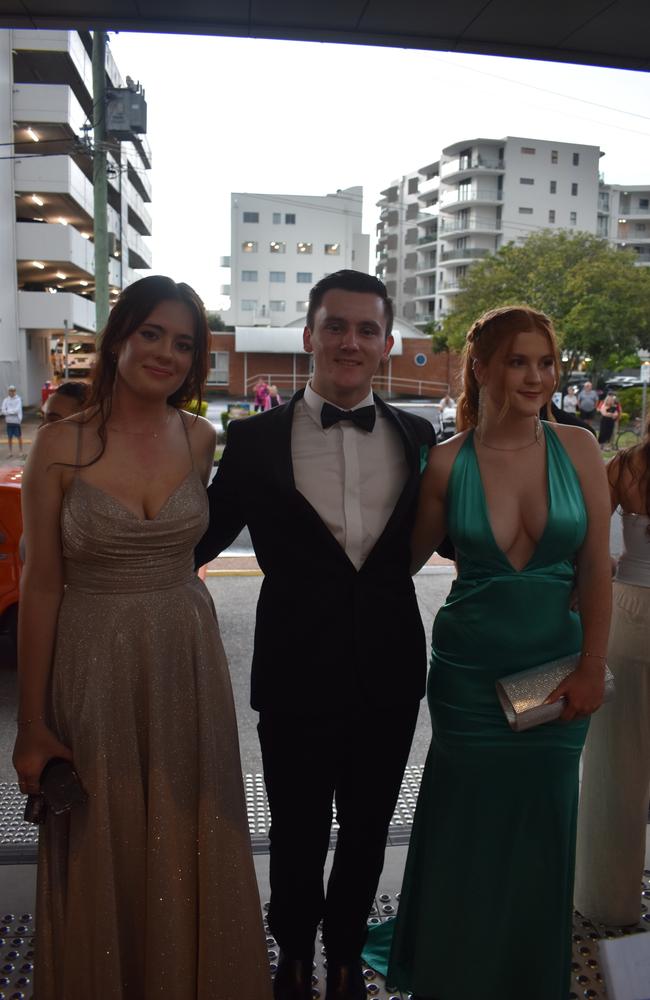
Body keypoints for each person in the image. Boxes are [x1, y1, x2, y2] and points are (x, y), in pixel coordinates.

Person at [12, 275, 271, 1000]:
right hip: (94, 661)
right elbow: (40, 586)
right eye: (152, 333)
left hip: (187, 658)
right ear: (120, 336)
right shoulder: (61, 445)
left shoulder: (200, 437)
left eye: (184, 343)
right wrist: (32, 724)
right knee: (107, 830)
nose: (165, 353)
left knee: (193, 822)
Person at [194, 270, 437, 1000]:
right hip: (296, 670)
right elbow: (196, 542)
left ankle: (343, 955)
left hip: (390, 670)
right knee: (296, 829)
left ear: (388, 343)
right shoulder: (252, 440)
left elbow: (454, 535)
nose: (350, 341)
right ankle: (294, 953)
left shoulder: (420, 435)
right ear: (309, 337)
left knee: (367, 829)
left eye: (367, 329)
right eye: (336, 325)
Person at [363, 305, 612, 1000]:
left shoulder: (581, 449)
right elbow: (398, 566)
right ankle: (454, 973)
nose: (536, 376)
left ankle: (528, 978)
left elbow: (596, 568)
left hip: (561, 675)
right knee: (468, 828)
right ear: (481, 366)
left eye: (546, 361)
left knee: (543, 827)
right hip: (470, 681)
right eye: (517, 361)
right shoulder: (446, 462)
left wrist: (593, 666)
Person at [574, 416, 650, 926]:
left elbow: (585, 540)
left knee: (614, 768)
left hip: (629, 614)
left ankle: (608, 901)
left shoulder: (627, 466)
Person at [1, 385, 24, 457]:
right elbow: (2, 410)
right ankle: (10, 452)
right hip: (9, 422)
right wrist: (10, 412)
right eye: (10, 390)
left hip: (16, 421)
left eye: (13, 390)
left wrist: (8, 412)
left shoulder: (18, 399)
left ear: (15, 391)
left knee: (19, 437)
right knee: (9, 437)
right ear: (8, 391)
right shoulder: (5, 400)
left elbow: (17, 410)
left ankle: (21, 451)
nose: (11, 392)